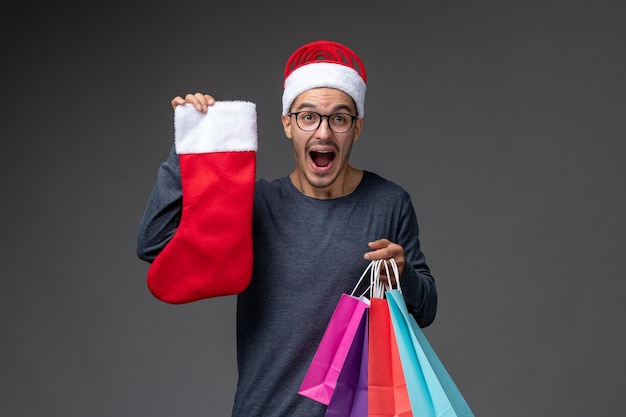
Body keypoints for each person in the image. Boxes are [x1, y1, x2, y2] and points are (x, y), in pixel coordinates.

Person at [136, 39, 437, 417]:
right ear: (287, 125)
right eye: (308, 117)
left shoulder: (389, 203)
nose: (323, 134)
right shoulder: (255, 205)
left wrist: (403, 275)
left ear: (356, 129)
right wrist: (188, 148)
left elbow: (425, 309)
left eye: (339, 118)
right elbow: (154, 244)